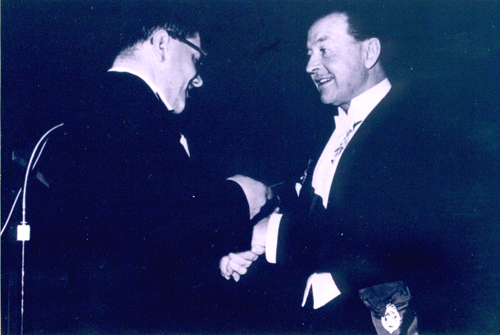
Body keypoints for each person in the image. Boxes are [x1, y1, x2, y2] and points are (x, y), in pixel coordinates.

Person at [221, 5, 480, 334]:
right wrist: (255, 233)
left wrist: (271, 235)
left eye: (324, 50)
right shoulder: (327, 130)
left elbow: (388, 234)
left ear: (369, 51)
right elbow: (316, 210)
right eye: (309, 53)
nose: (310, 66)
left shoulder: (417, 126)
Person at [24, 4, 271, 332]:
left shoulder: (107, 104)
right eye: (197, 59)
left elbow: (140, 235)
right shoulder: (131, 109)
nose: (198, 80)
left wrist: (218, 259)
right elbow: (170, 215)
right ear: (161, 43)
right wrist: (241, 196)